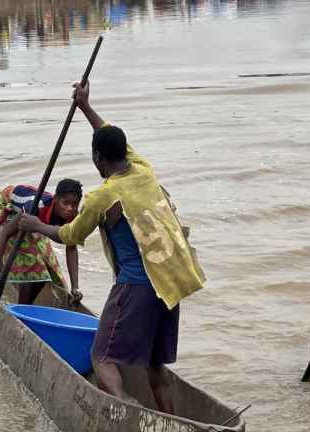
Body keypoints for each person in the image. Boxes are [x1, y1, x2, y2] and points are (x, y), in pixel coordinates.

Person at [18, 81, 205, 415]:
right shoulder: (144, 171)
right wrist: (87, 107)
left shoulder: (102, 196)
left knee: (101, 357)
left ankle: (123, 415)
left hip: (137, 284)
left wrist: (36, 226)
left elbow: (71, 235)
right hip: (170, 282)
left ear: (97, 158)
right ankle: (172, 421)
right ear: (124, 153)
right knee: (155, 364)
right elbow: (110, 134)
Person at [0, 179, 83, 305]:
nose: (70, 208)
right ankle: (22, 309)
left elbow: (71, 247)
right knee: (32, 263)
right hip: (3, 204)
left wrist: (75, 286)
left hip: (33, 219)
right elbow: (4, 235)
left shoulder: (73, 215)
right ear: (56, 199)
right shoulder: (35, 207)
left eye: (75, 204)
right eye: (66, 203)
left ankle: (27, 305)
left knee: (48, 264)